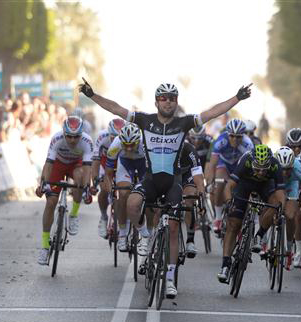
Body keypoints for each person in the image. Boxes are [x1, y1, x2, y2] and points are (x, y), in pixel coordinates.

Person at [79, 78, 252, 299]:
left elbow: (212, 113)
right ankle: (143, 235)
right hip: (150, 179)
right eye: (163, 98)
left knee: (172, 228)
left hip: (173, 182)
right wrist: (93, 95)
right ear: (156, 102)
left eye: (172, 99)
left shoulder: (183, 123)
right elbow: (116, 108)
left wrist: (237, 97)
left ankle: (170, 279)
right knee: (131, 203)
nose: (167, 102)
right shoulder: (144, 120)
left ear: (176, 102)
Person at [217, 144, 286, 282]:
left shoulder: (275, 165)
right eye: (257, 169)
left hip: (266, 185)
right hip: (244, 184)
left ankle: (259, 235)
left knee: (275, 204)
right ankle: (225, 265)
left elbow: (280, 193)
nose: (260, 172)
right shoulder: (246, 161)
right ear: (252, 163)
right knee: (234, 224)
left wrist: (281, 209)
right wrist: (230, 201)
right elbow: (229, 185)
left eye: (263, 169)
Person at [35, 115, 94, 265]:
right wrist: (44, 184)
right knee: (51, 202)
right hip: (58, 165)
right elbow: (48, 164)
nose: (73, 140)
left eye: (76, 137)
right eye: (69, 136)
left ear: (81, 134)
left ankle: (73, 214)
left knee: (80, 179)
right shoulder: (57, 138)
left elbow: (88, 168)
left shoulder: (87, 141)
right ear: (64, 133)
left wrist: (87, 187)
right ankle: (44, 245)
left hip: (76, 165)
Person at [102, 123, 147, 252]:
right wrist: (110, 188)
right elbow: (109, 174)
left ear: (138, 141)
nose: (128, 149)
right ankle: (122, 234)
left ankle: (148, 230)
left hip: (143, 165)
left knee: (148, 193)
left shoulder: (146, 144)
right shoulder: (115, 145)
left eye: (131, 145)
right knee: (122, 194)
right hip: (125, 164)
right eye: (125, 145)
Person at [205, 118, 254, 235]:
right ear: (228, 134)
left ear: (243, 135)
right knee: (219, 183)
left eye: (238, 137)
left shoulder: (248, 144)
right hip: (224, 164)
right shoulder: (221, 141)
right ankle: (217, 218)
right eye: (232, 136)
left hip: (238, 166)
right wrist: (211, 181)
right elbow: (213, 164)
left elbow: (250, 168)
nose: (235, 139)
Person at [91, 118, 125, 238]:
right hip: (105, 164)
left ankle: (125, 222)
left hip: (121, 162)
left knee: (125, 191)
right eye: (113, 137)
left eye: (118, 137)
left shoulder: (127, 137)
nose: (115, 139)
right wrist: (95, 181)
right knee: (104, 189)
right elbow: (95, 160)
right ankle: (104, 217)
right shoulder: (102, 137)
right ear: (108, 133)